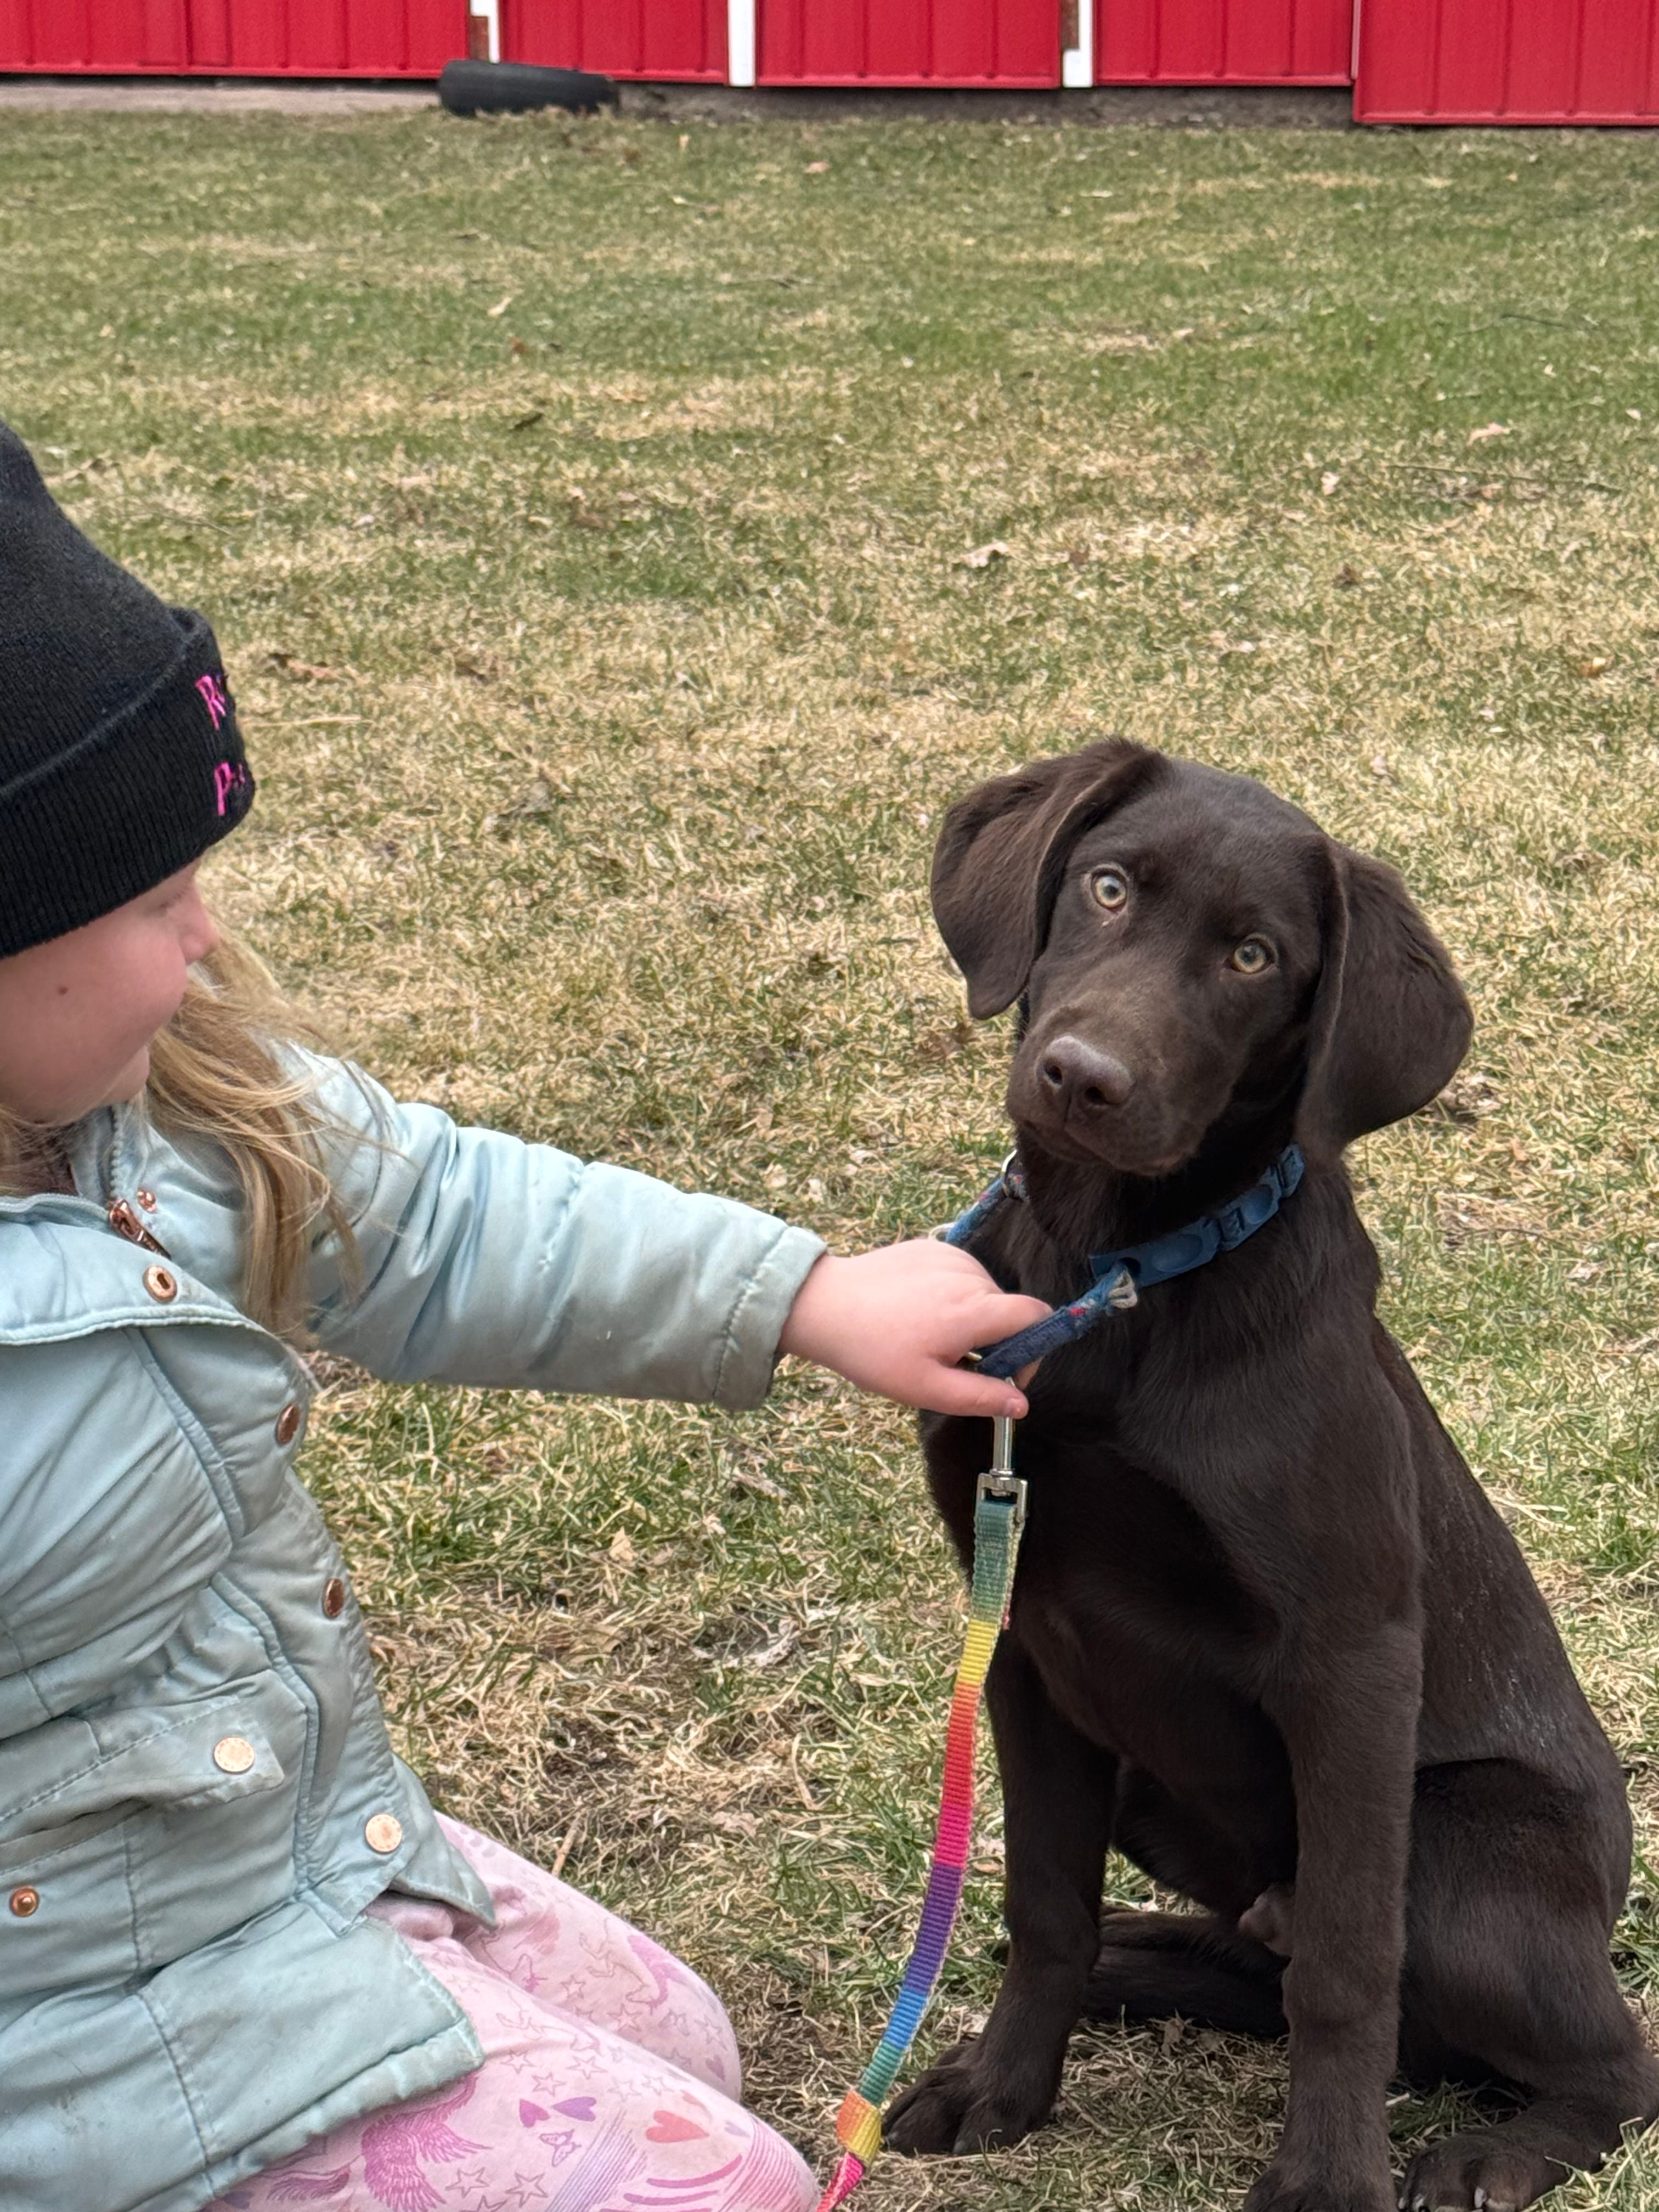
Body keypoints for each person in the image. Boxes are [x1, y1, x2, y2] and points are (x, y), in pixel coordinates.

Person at [0, 419, 1048, 2212]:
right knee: (724, 2186)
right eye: (157, 897)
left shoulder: (159, 1102)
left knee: (686, 2044)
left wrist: (798, 1293)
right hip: (74, 2032)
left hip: (275, 1855)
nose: (204, 943)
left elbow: (438, 1215)